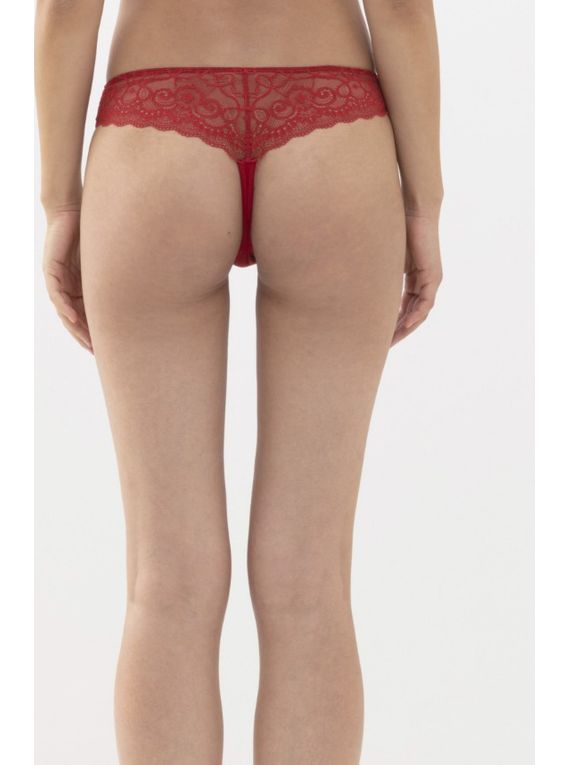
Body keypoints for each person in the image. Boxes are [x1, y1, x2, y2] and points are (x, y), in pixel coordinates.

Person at [35, 0, 443, 762]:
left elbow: (65, 10)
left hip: (155, 129)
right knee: (310, 583)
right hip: (332, 130)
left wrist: (60, 200)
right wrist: (424, 203)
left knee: (167, 581)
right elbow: (399, 8)